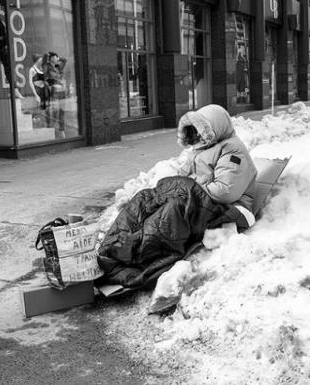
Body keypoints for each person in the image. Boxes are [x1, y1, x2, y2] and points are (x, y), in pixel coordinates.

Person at [96, 104, 257, 290]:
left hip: (227, 209)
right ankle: (112, 247)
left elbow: (225, 191)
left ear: (212, 129)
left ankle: (133, 255)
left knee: (170, 213)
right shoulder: (201, 149)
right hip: (198, 200)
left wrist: (187, 188)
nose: (197, 136)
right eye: (194, 132)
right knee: (145, 199)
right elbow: (182, 175)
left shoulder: (232, 150)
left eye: (200, 131)